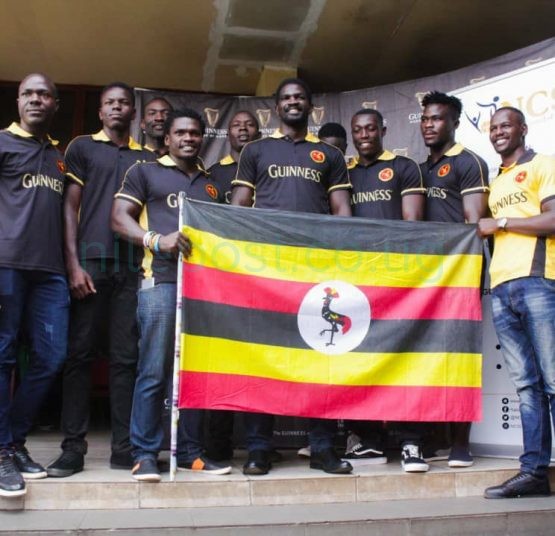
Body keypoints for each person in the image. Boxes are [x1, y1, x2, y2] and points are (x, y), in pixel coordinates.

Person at [231, 78, 352, 476]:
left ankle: (322, 448)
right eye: (286, 98)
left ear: (310, 105)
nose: (293, 102)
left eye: (299, 97)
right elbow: (239, 208)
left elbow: (342, 211)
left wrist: (341, 261)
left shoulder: (329, 153)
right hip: (265, 271)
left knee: (318, 358)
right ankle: (258, 449)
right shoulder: (255, 150)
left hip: (314, 270)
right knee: (262, 359)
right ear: (276, 107)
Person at [112, 108, 230, 481]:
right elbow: (118, 217)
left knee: (194, 373)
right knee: (153, 370)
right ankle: (144, 455)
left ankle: (192, 453)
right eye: (181, 133)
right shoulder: (144, 172)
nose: (188, 138)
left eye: (194, 133)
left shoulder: (211, 184)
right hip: (159, 283)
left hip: (201, 289)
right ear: (167, 138)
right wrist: (156, 240)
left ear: (202, 138)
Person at [47, 82, 154, 478]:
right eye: (110, 103)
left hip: (132, 266)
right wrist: (73, 265)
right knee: (79, 356)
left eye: (123, 103)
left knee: (126, 358)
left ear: (133, 112)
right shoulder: (81, 147)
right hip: (90, 264)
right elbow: (69, 207)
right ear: (100, 111)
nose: (116, 108)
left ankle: (123, 448)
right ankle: (73, 448)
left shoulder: (147, 158)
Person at [479, 107, 555, 499]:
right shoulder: (497, 181)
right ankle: (534, 473)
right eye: (493, 127)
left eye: (505, 125)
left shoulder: (544, 165)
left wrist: (502, 223)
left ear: (523, 129)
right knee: (527, 387)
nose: (498, 132)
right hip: (502, 289)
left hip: (539, 283)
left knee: (554, 381)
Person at [0, 74, 69, 497]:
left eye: (44, 94)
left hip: (50, 272)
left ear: (55, 104)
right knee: (3, 355)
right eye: (28, 93)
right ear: (18, 101)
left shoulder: (59, 156)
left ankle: (12, 440)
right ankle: (3, 450)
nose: (35, 100)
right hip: (6, 264)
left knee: (52, 356)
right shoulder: (2, 142)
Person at [347, 108, 427, 471]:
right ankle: (368, 441)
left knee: (403, 360)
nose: (364, 135)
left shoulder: (404, 167)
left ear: (383, 129)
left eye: (370, 128)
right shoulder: (344, 172)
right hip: (355, 281)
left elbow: (412, 223)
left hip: (396, 278)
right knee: (358, 360)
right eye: (358, 130)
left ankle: (411, 442)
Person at [419, 90, 489, 469]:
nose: (429, 125)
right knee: (427, 355)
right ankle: (433, 437)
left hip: (459, 273)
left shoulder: (468, 162)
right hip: (425, 276)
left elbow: (474, 225)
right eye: (425, 118)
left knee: (458, 355)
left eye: (437, 119)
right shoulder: (418, 169)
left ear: (455, 123)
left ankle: (461, 442)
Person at [208, 110, 260, 205]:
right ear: (228, 136)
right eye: (236, 125)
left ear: (259, 135)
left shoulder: (269, 169)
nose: (243, 128)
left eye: (250, 124)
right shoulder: (212, 174)